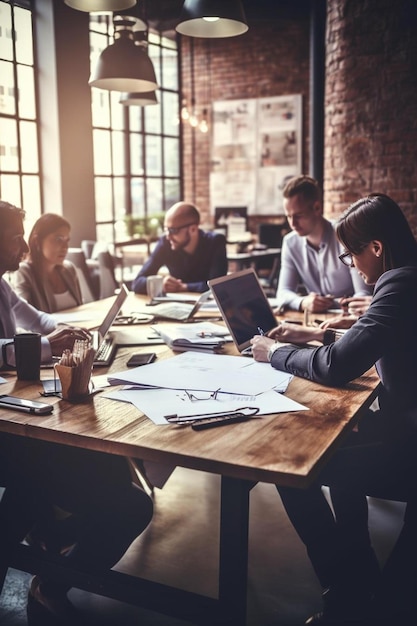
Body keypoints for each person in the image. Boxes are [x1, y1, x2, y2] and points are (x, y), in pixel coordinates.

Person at [251, 194, 417, 624]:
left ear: (376, 248)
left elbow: (338, 365)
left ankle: (346, 584)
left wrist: (274, 352)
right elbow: (365, 344)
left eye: (351, 255)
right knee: (341, 453)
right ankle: (356, 582)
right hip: (405, 426)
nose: (351, 265)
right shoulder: (407, 277)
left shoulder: (398, 283)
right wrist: (305, 338)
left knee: (291, 467)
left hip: (411, 444)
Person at [0, 200, 153, 624]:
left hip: (21, 425)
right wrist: (49, 344)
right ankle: (53, 569)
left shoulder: (1, 285)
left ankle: (52, 571)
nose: (22, 246)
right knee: (128, 504)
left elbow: (38, 320)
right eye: (14, 236)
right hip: (11, 437)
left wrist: (68, 332)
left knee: (112, 475)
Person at [276, 175, 372, 313]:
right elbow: (283, 292)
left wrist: (337, 304)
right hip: (315, 321)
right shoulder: (290, 243)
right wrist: (303, 302)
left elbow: (363, 294)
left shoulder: (345, 235)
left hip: (349, 318)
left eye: (298, 215)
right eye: (288, 216)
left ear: (317, 207)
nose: (292, 223)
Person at [132, 202, 228, 294]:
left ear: (193, 229)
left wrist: (184, 287)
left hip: (209, 307)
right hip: (177, 304)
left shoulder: (215, 242)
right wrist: (161, 285)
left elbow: (218, 286)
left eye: (173, 230)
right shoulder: (165, 243)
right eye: (166, 230)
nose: (168, 236)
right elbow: (137, 283)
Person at [13, 213, 83, 313]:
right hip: (50, 329)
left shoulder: (69, 270)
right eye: (58, 239)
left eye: (67, 240)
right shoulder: (25, 272)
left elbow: (81, 308)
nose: (65, 247)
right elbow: (23, 315)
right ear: (37, 241)